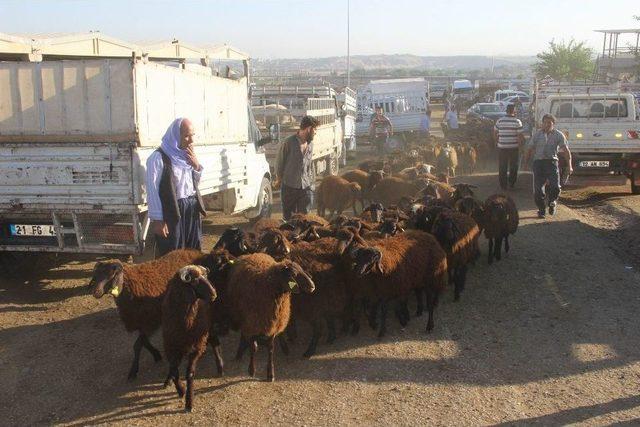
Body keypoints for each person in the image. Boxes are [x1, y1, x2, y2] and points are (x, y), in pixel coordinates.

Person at [146, 118, 206, 257]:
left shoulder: (187, 155)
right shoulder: (158, 158)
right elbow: (152, 191)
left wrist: (196, 166)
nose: (191, 140)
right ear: (174, 136)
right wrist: (158, 220)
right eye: (186, 136)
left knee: (193, 251)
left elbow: (193, 183)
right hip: (172, 210)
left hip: (191, 208)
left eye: (192, 135)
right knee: (173, 253)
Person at [523, 113, 573, 218]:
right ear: (542, 123)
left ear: (553, 124)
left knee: (555, 187)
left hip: (552, 163)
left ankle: (552, 202)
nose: (547, 125)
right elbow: (529, 149)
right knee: (537, 191)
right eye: (545, 122)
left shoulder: (559, 135)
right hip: (538, 164)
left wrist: (570, 165)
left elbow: (566, 150)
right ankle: (541, 210)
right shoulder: (537, 135)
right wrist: (525, 163)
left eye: (550, 123)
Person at [275, 115, 319, 221]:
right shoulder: (288, 142)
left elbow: (309, 165)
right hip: (289, 187)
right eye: (315, 130)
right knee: (288, 219)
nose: (315, 133)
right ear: (309, 129)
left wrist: (312, 184)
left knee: (303, 219)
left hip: (306, 187)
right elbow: (279, 163)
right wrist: (279, 180)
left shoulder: (310, 144)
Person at [494, 104, 525, 190]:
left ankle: (503, 185)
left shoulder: (499, 121)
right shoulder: (517, 122)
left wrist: (497, 142)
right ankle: (511, 183)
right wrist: (521, 147)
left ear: (506, 111)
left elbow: (495, 133)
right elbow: (520, 136)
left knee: (502, 166)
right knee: (513, 166)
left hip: (502, 147)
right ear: (514, 111)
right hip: (513, 148)